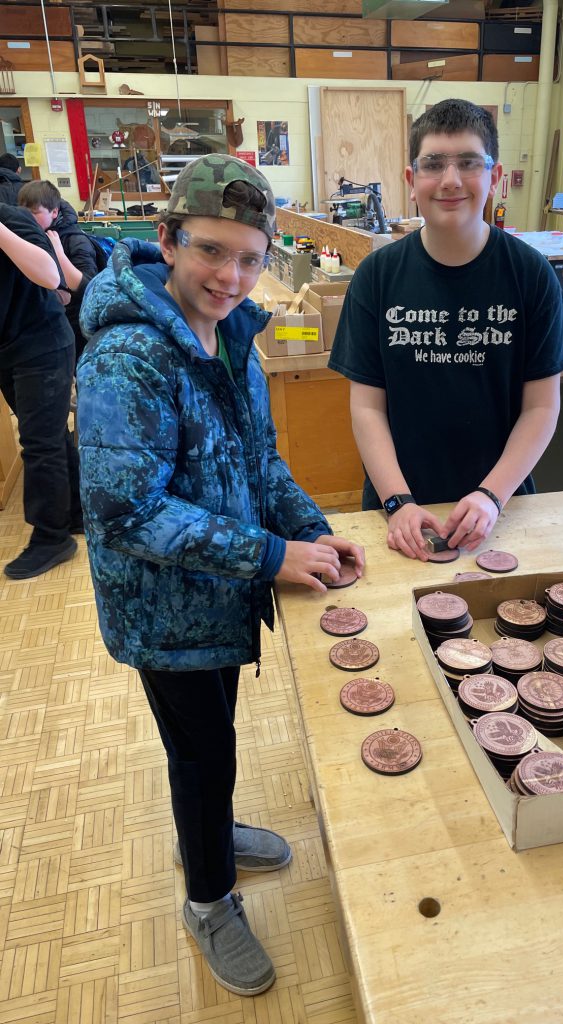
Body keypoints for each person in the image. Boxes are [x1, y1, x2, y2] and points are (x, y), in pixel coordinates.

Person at [76, 154, 364, 997]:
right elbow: (125, 511)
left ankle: (208, 828)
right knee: (200, 749)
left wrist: (309, 527)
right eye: (210, 251)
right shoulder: (129, 357)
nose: (230, 276)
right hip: (165, 608)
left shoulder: (234, 334)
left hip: (218, 594)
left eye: (249, 257)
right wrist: (272, 557)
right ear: (167, 241)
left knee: (211, 741)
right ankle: (208, 899)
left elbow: (257, 461)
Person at [329, 98, 563, 561]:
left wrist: (491, 495)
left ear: (495, 176)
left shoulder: (531, 274)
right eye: (433, 164)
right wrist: (398, 501)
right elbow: (366, 408)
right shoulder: (377, 276)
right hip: (398, 511)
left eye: (468, 162)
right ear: (411, 180)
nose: (450, 180)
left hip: (502, 509)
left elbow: (542, 407)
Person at [0, 202, 80, 579]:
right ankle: (78, 510)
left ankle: (52, 538)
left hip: (43, 344)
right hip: (9, 350)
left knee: (39, 442)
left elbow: (50, 275)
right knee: (50, 436)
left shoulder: (11, 219)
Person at [18, 179, 102, 360]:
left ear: (54, 212)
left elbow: (89, 287)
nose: (26, 218)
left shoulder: (75, 239)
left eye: (34, 213)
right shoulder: (26, 234)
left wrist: (59, 254)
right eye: (23, 212)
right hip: (40, 326)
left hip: (75, 325)